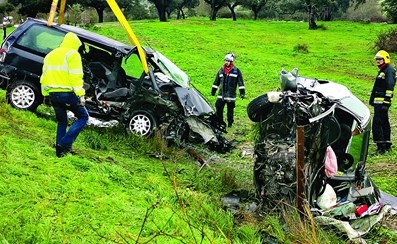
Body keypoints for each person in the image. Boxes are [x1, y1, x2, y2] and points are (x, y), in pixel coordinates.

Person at [40, 32, 89, 158]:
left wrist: (45, 92)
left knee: (62, 121)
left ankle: (59, 151)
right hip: (67, 93)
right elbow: (76, 76)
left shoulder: (50, 55)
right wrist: (81, 94)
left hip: (52, 94)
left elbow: (44, 76)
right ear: (75, 44)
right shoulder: (73, 54)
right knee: (83, 117)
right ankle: (65, 143)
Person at [369, 50, 396, 156]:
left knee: (377, 123)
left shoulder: (389, 70)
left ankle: (381, 147)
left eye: (380, 59)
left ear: (386, 59)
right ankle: (387, 144)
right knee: (384, 122)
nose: (378, 61)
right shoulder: (383, 70)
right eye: (377, 60)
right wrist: (372, 100)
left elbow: (390, 87)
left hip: (382, 103)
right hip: (378, 103)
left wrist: (386, 103)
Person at [211, 53, 245, 128]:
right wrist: (213, 91)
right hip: (221, 95)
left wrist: (242, 93)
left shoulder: (236, 71)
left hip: (231, 96)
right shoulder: (221, 70)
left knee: (230, 110)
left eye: (228, 61)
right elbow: (216, 81)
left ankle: (230, 123)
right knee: (219, 108)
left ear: (231, 62)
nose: (226, 62)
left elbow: (240, 83)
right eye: (225, 60)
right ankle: (220, 123)